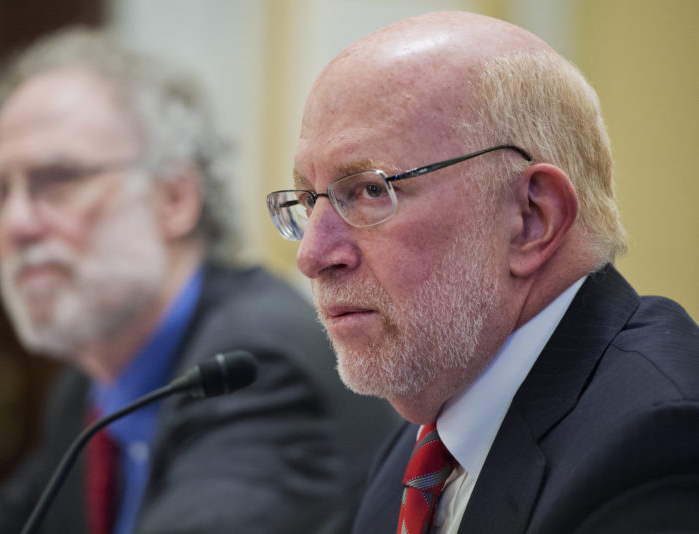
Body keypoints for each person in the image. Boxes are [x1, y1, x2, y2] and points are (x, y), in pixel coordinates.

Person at [266, 10, 699, 534]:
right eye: (310, 201)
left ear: (531, 219)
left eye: (370, 190)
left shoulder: (659, 446)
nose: (312, 256)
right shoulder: (421, 448)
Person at [0, 26, 399, 534]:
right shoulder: (87, 390)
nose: (15, 224)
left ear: (174, 200)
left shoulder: (257, 367)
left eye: (56, 181)